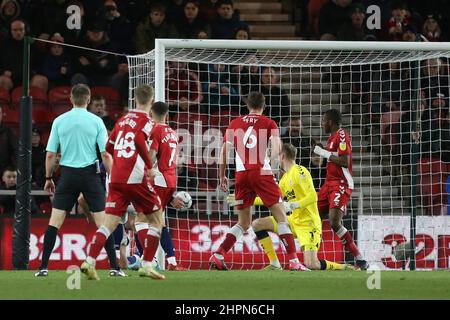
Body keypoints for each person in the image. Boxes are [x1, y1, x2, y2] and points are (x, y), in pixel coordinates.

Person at [209, 91, 306, 271]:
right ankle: (293, 261)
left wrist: (222, 176)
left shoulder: (235, 123)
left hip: (241, 175)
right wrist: (275, 171)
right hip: (262, 172)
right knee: (282, 217)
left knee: (244, 222)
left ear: (247, 105)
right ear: (264, 105)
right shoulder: (269, 123)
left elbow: (223, 152)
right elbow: (276, 149)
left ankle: (218, 254)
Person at [81, 84, 165, 281]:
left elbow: (108, 146)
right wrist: (149, 166)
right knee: (157, 220)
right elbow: (136, 139)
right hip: (135, 178)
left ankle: (89, 261)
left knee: (108, 224)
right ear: (151, 101)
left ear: (135, 99)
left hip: (116, 178)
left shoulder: (122, 120)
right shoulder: (147, 121)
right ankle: (146, 265)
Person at [229, 143, 353, 270]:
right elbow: (273, 199)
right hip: (293, 221)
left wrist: (293, 205)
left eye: (277, 156)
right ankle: (274, 263)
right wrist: (247, 200)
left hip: (308, 224)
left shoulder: (300, 171)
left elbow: (313, 197)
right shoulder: (284, 179)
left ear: (282, 156)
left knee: (312, 264)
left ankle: (343, 267)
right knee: (257, 224)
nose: (275, 159)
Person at [35, 84, 115, 277]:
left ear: (71, 99)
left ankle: (43, 268)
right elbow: (105, 154)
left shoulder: (59, 121)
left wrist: (48, 178)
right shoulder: (96, 121)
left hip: (68, 175)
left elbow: (50, 154)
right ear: (88, 100)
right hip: (89, 175)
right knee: (102, 223)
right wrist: (112, 178)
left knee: (54, 223)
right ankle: (115, 268)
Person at [312, 109, 369, 270]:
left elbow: (344, 161)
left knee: (334, 222)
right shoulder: (331, 138)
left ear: (330, 122)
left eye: (324, 121)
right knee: (312, 216)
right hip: (328, 184)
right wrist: (323, 149)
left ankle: (360, 259)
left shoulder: (342, 134)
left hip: (341, 183)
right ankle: (309, 257)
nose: (322, 124)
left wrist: (322, 152)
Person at [134, 101, 186, 271]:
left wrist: (145, 169)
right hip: (171, 180)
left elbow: (152, 154)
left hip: (159, 179)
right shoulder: (172, 132)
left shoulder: (154, 129)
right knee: (159, 222)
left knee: (140, 220)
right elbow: (177, 161)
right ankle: (172, 262)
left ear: (150, 114)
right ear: (167, 115)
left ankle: (150, 259)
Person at [0, 105, 17, 173]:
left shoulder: (8, 131)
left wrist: (14, 168)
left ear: (2, 115)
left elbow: (16, 150)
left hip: (5, 170)